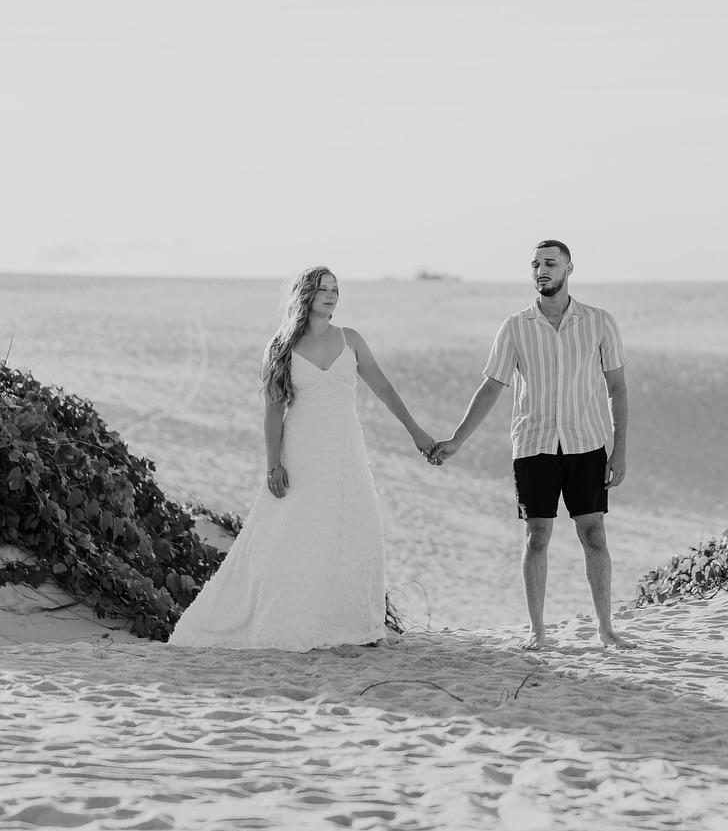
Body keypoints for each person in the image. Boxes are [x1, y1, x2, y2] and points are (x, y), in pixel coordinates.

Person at [169, 265, 434, 651]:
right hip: (302, 454)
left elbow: (383, 388)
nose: (331, 295)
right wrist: (273, 465)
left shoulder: (351, 339)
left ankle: (357, 626)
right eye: (324, 289)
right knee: (294, 536)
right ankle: (292, 622)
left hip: (346, 453)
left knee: (355, 531)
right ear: (306, 295)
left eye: (336, 289)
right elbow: (273, 412)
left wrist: (416, 431)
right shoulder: (281, 347)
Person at [429, 240, 633, 649]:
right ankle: (537, 632)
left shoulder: (598, 322)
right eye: (536, 264)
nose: (541, 270)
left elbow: (617, 388)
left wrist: (620, 449)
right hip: (534, 446)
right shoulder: (515, 326)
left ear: (569, 268)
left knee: (593, 535)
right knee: (536, 537)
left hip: (587, 444)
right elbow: (491, 387)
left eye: (550, 263)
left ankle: (605, 629)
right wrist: (457, 440)